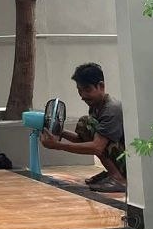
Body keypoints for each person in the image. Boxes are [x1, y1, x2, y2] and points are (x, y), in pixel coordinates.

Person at [39, 62, 126, 193]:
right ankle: (112, 173)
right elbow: (83, 141)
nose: (83, 96)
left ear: (101, 86)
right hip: (119, 156)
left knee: (87, 122)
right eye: (80, 91)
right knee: (84, 124)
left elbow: (96, 147)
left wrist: (57, 145)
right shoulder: (96, 106)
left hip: (129, 161)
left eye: (87, 90)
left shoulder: (111, 109)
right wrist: (60, 132)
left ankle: (118, 178)